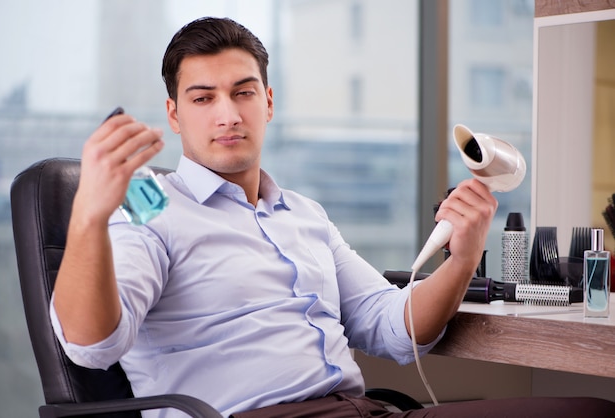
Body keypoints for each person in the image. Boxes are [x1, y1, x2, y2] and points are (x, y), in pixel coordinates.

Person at [50, 16, 615, 418]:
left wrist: (464, 256)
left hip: (365, 410)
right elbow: (91, 348)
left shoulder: (304, 214)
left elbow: (395, 329)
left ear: (268, 102)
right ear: (174, 114)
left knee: (589, 411)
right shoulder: (149, 207)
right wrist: (89, 221)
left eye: (243, 93)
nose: (227, 114)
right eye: (203, 99)